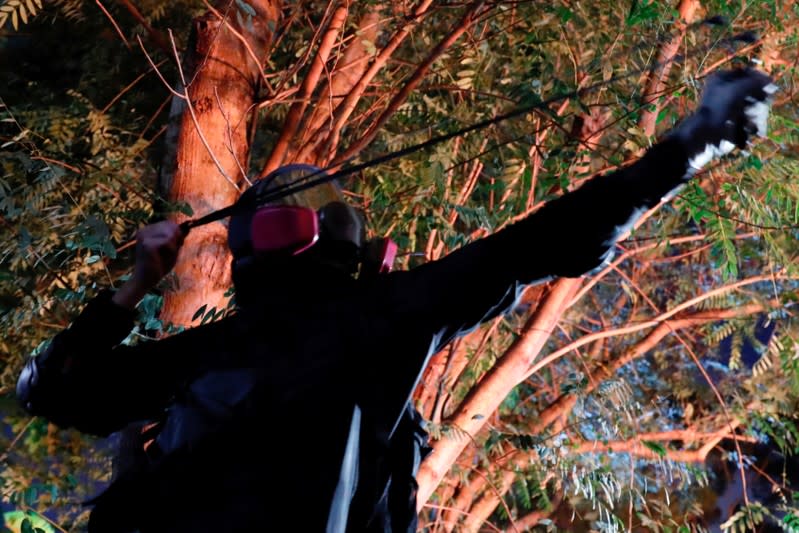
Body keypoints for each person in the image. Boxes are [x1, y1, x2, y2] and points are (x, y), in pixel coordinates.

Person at [16, 67, 776, 532]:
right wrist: (688, 148)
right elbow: (544, 241)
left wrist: (134, 288)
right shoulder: (383, 320)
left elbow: (49, 389)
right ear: (339, 242)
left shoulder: (206, 352)